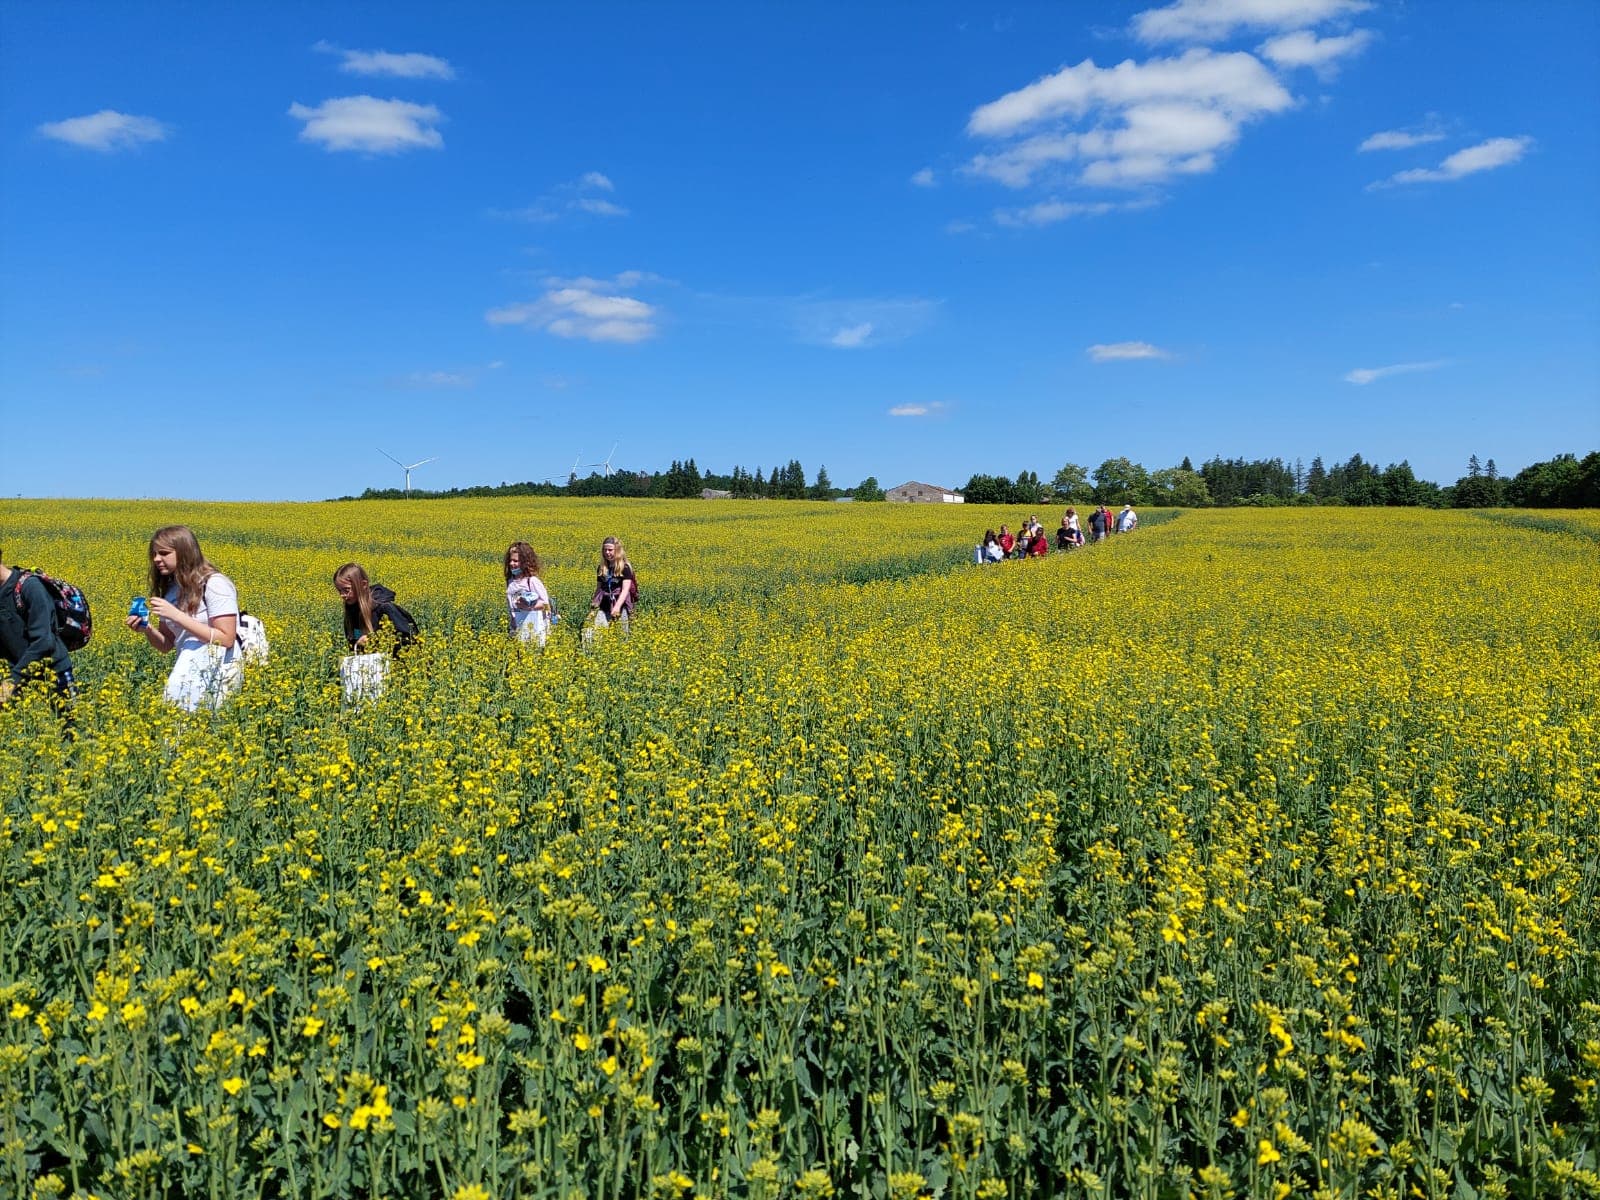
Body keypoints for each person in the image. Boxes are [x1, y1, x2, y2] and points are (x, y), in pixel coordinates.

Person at [127, 525, 242, 711]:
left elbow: (226, 638)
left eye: (164, 553)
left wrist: (177, 616)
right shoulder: (172, 590)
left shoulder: (214, 584)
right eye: (154, 554)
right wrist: (146, 628)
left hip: (219, 672)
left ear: (184, 552)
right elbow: (167, 644)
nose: (156, 559)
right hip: (188, 668)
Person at [0, 550, 76, 713]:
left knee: (72, 731)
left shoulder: (30, 587)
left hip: (53, 676)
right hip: (18, 678)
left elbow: (44, 642)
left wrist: (11, 682)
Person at [335, 564, 418, 652]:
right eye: (339, 590)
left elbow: (409, 639)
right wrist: (358, 643)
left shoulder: (384, 608)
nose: (342, 595)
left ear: (363, 585)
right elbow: (355, 640)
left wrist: (375, 640)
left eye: (347, 590)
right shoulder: (352, 612)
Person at [504, 541, 552, 646]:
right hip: (516, 626)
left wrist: (529, 606)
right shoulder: (510, 581)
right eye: (510, 560)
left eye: (516, 561)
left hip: (532, 626)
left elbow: (545, 604)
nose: (511, 564)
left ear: (525, 562)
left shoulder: (532, 581)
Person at [590, 536, 637, 629]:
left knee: (621, 634)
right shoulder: (602, 568)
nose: (607, 552)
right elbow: (598, 589)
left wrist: (617, 607)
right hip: (604, 605)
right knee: (599, 632)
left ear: (617, 550)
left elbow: (625, 590)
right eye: (605, 550)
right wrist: (593, 608)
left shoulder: (625, 568)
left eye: (610, 550)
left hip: (621, 605)